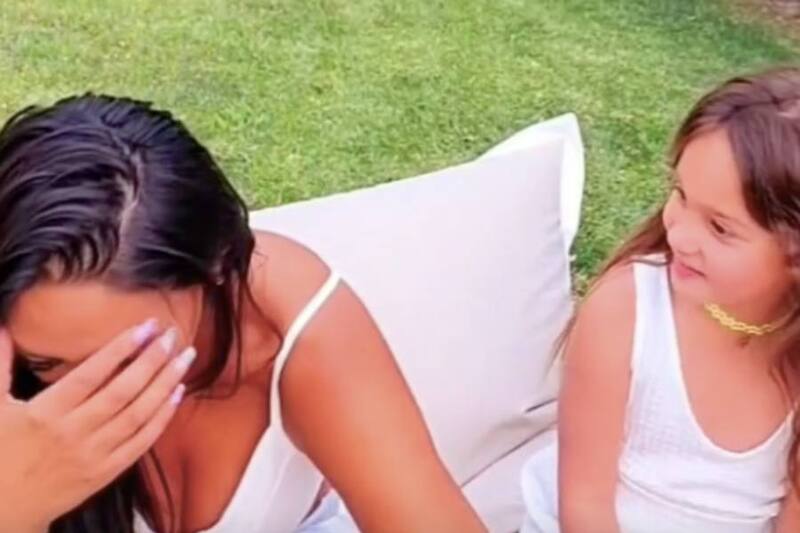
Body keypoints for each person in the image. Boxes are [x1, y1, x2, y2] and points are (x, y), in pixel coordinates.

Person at [0, 95, 487, 533]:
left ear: (215, 263)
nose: (93, 392)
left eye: (130, 358)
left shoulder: (291, 333)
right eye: (46, 363)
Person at [521, 67, 800, 533]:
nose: (680, 235)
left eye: (720, 228)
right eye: (681, 194)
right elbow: (584, 506)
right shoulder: (627, 309)